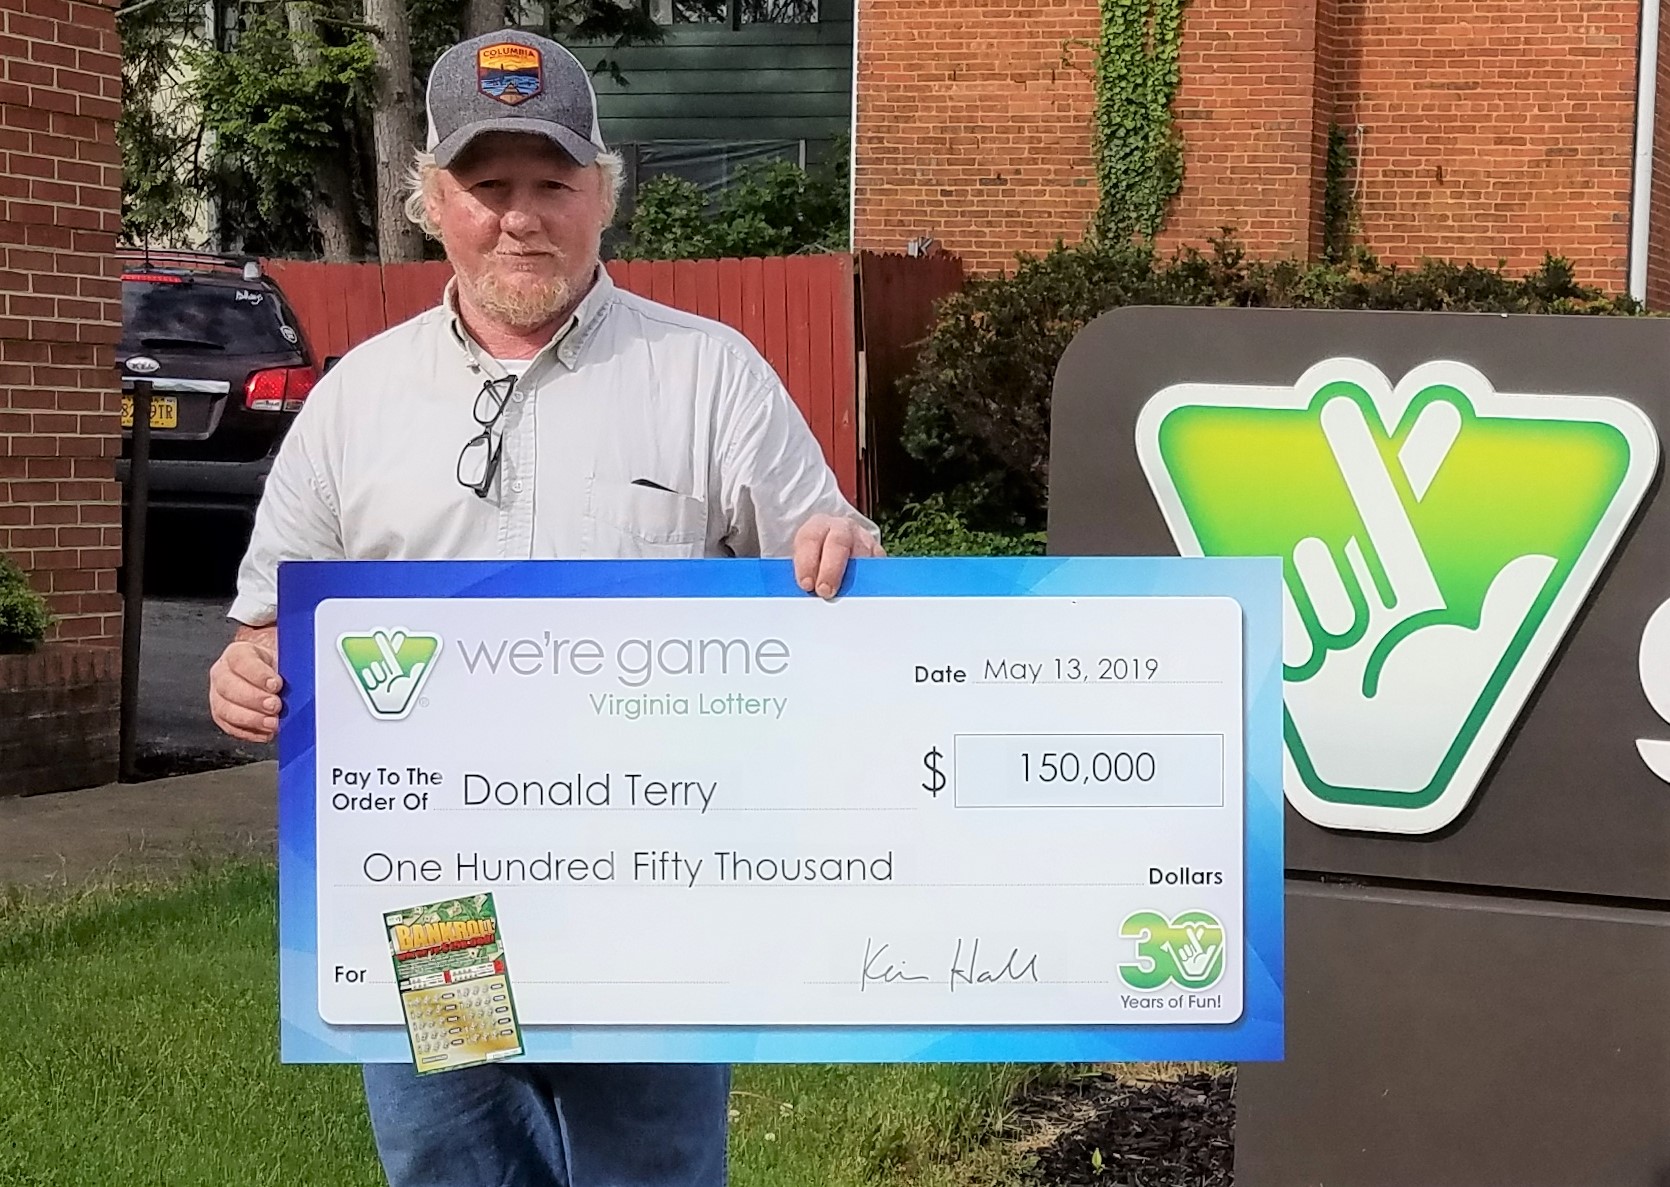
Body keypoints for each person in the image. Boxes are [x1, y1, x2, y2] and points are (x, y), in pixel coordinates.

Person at [207, 28, 882, 1187]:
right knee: (460, 1158)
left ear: (601, 197)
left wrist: (843, 550)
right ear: (433, 201)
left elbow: (831, 559)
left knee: (649, 1165)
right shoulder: (359, 401)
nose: (521, 218)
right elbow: (267, 627)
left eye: (552, 184)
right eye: (488, 186)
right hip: (438, 901)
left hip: (652, 888)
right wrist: (246, 673)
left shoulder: (706, 374)